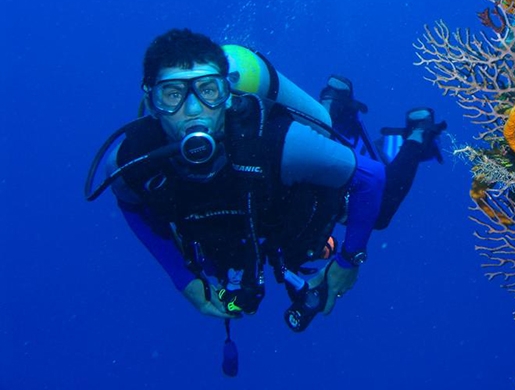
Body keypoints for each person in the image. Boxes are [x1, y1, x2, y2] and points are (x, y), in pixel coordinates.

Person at [86, 29, 446, 341]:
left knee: (377, 213)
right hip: (258, 221)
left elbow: (371, 177)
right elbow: (131, 204)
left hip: (301, 191)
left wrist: (349, 261)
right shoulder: (130, 162)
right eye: (172, 94)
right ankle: (333, 104)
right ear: (150, 99)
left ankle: (417, 134)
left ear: (227, 94)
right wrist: (183, 280)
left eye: (207, 90)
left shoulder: (278, 145)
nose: (193, 109)